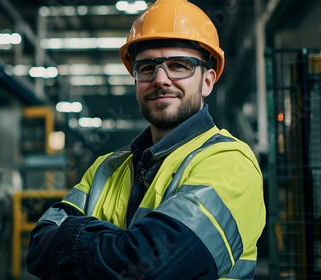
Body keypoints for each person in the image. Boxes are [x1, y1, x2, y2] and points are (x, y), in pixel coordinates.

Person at [26, 0, 266, 279]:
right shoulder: (106, 168)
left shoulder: (231, 163)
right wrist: (122, 247)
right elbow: (38, 247)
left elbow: (149, 269)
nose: (161, 79)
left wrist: (71, 241)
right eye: (147, 67)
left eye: (179, 65)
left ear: (208, 82)